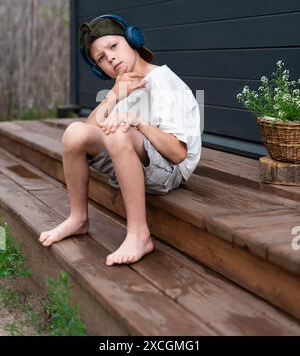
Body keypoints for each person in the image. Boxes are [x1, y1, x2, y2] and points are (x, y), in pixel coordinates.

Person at [39, 15, 201, 266]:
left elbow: (178, 153)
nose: (110, 58)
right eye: (101, 58)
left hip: (169, 172)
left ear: (132, 40)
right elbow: (84, 136)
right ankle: (78, 218)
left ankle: (139, 234)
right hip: (129, 162)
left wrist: (137, 121)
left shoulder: (164, 82)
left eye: (113, 46)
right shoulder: (121, 88)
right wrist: (112, 97)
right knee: (74, 132)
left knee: (119, 130)